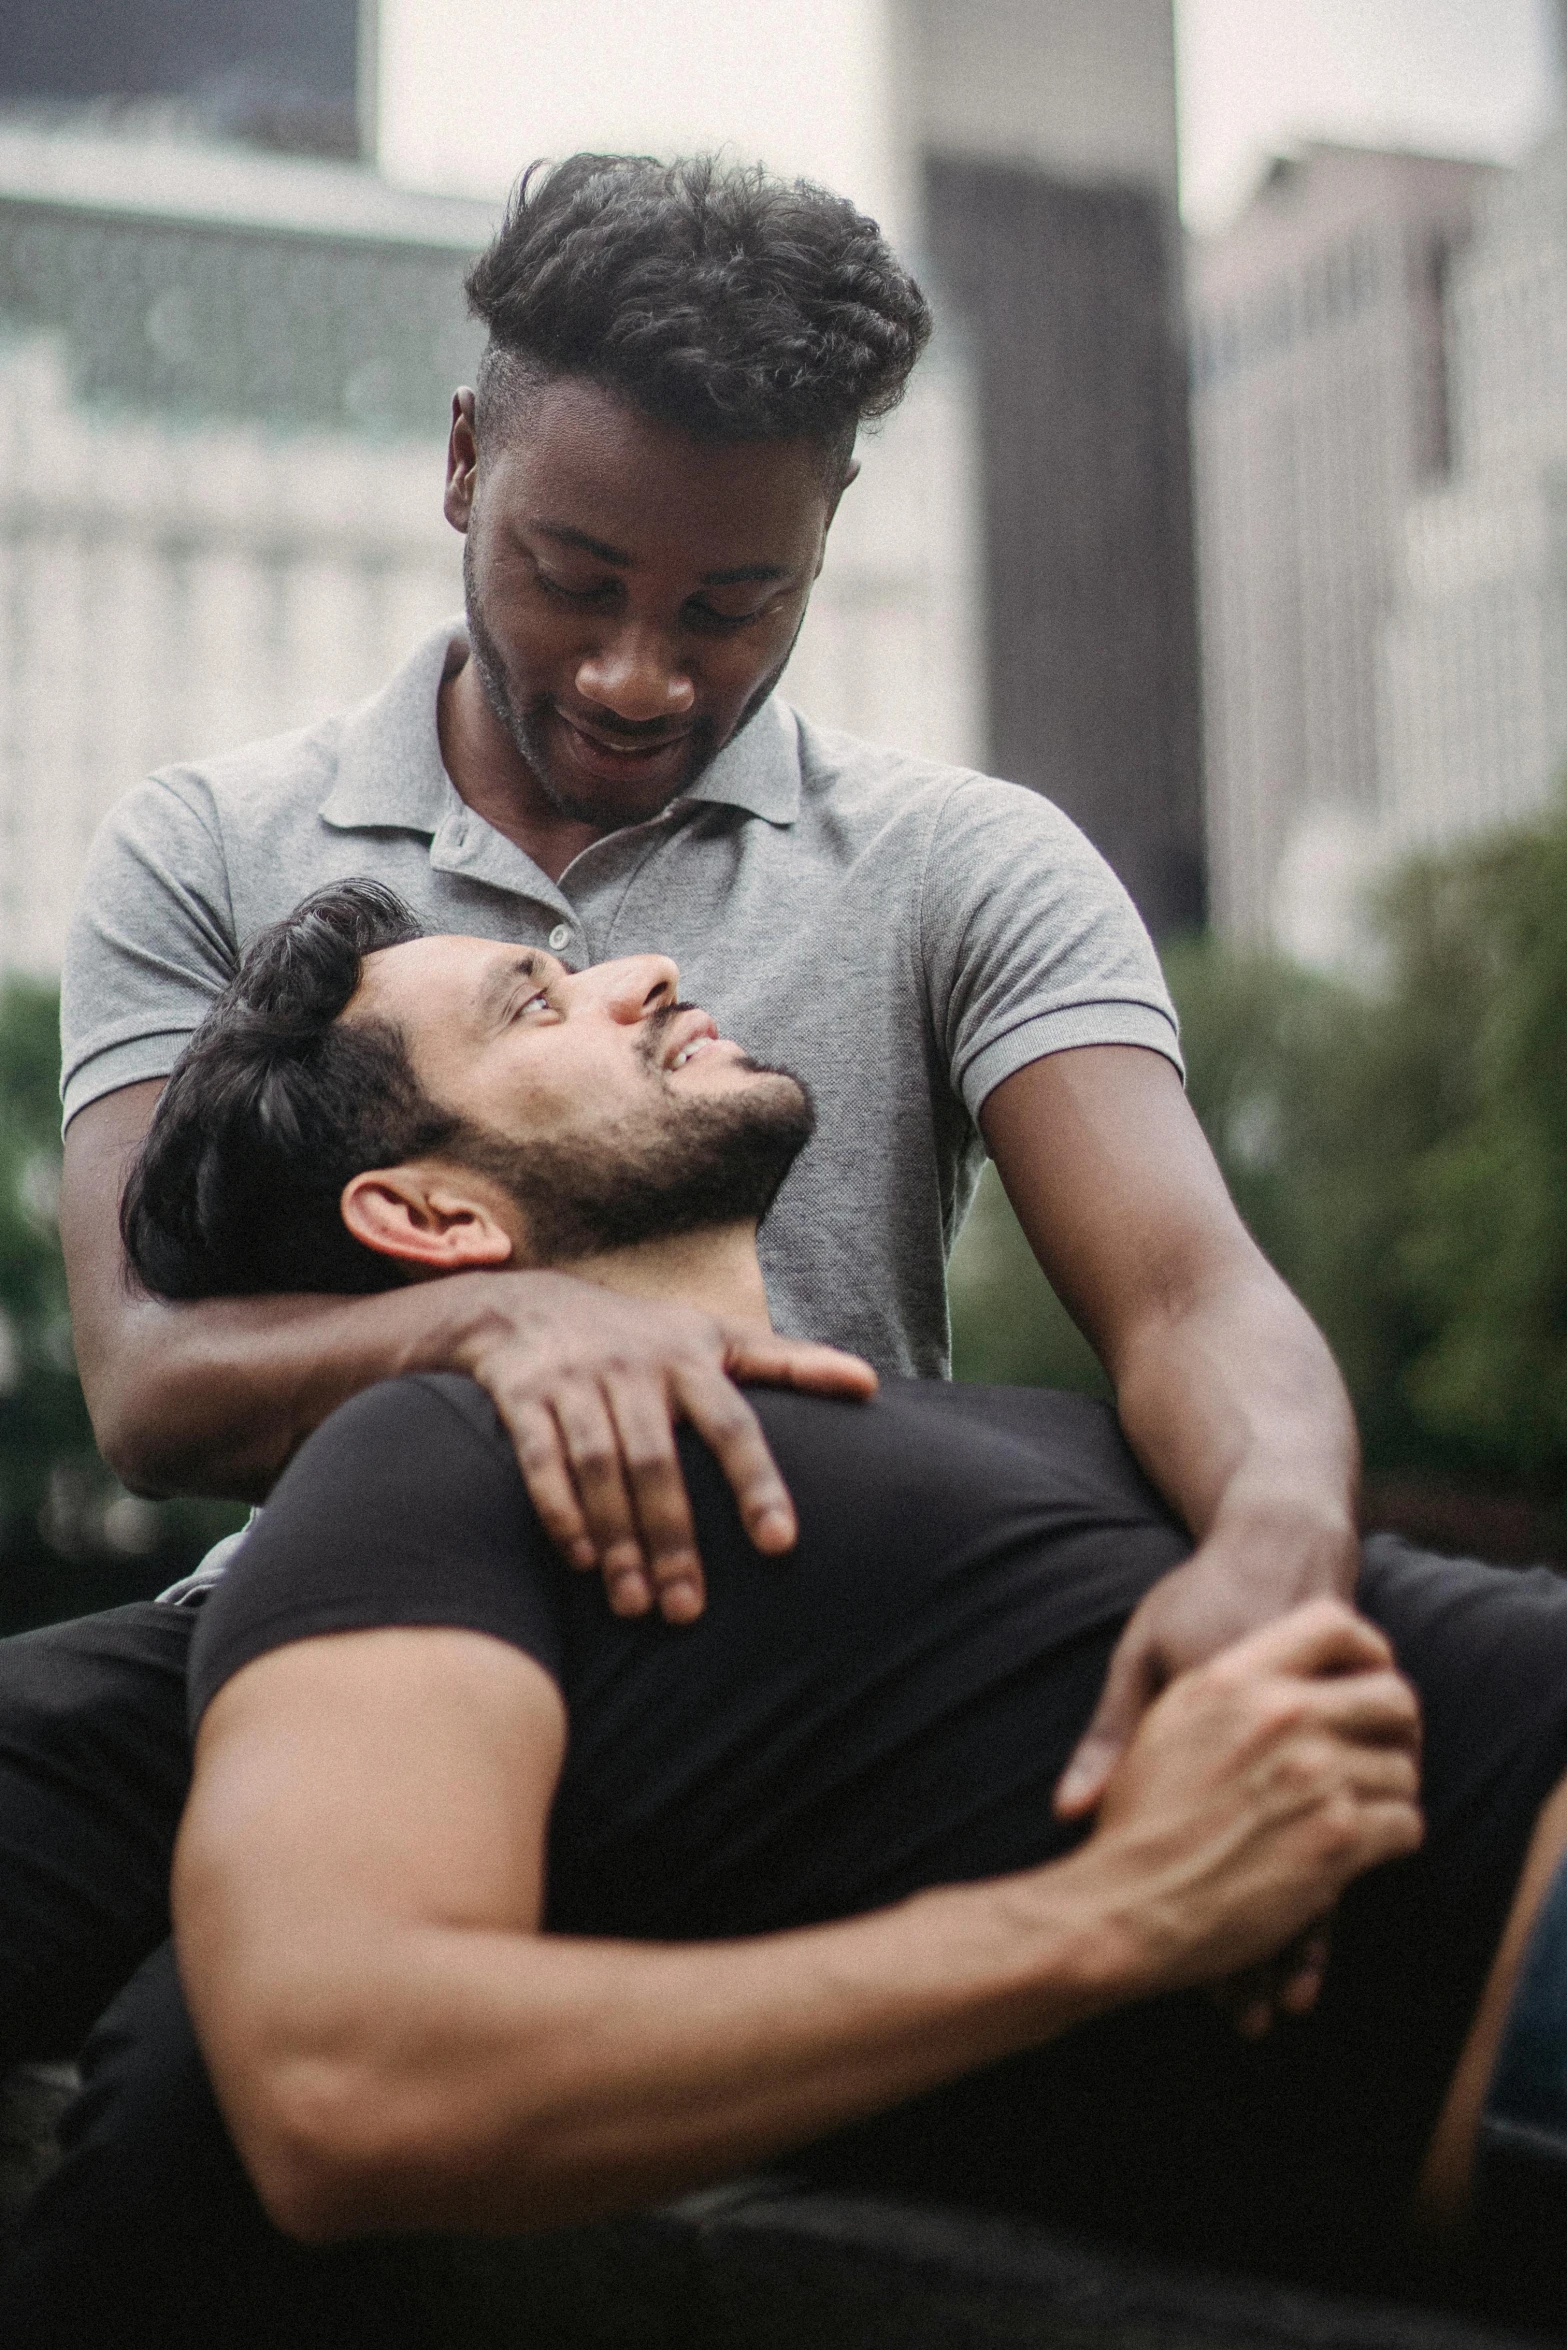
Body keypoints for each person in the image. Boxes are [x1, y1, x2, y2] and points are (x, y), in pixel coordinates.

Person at [6, 154, 1359, 2064]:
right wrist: (500, 1317)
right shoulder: (209, 842)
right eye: (574, 581)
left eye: (736, 603)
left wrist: (1274, 1546)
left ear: (830, 528)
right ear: (465, 462)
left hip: (796, 1647)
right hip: (345, 1637)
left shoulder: (968, 865)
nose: (641, 673)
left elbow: (1189, 1297)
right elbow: (146, 1383)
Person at [7, 882, 1567, 2347]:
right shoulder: (420, 1465)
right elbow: (338, 2073)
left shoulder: (1029, 1428)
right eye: (535, 1005)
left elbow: (1200, 1297)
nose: (645, 976)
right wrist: (1116, 1918)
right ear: (428, 1215)